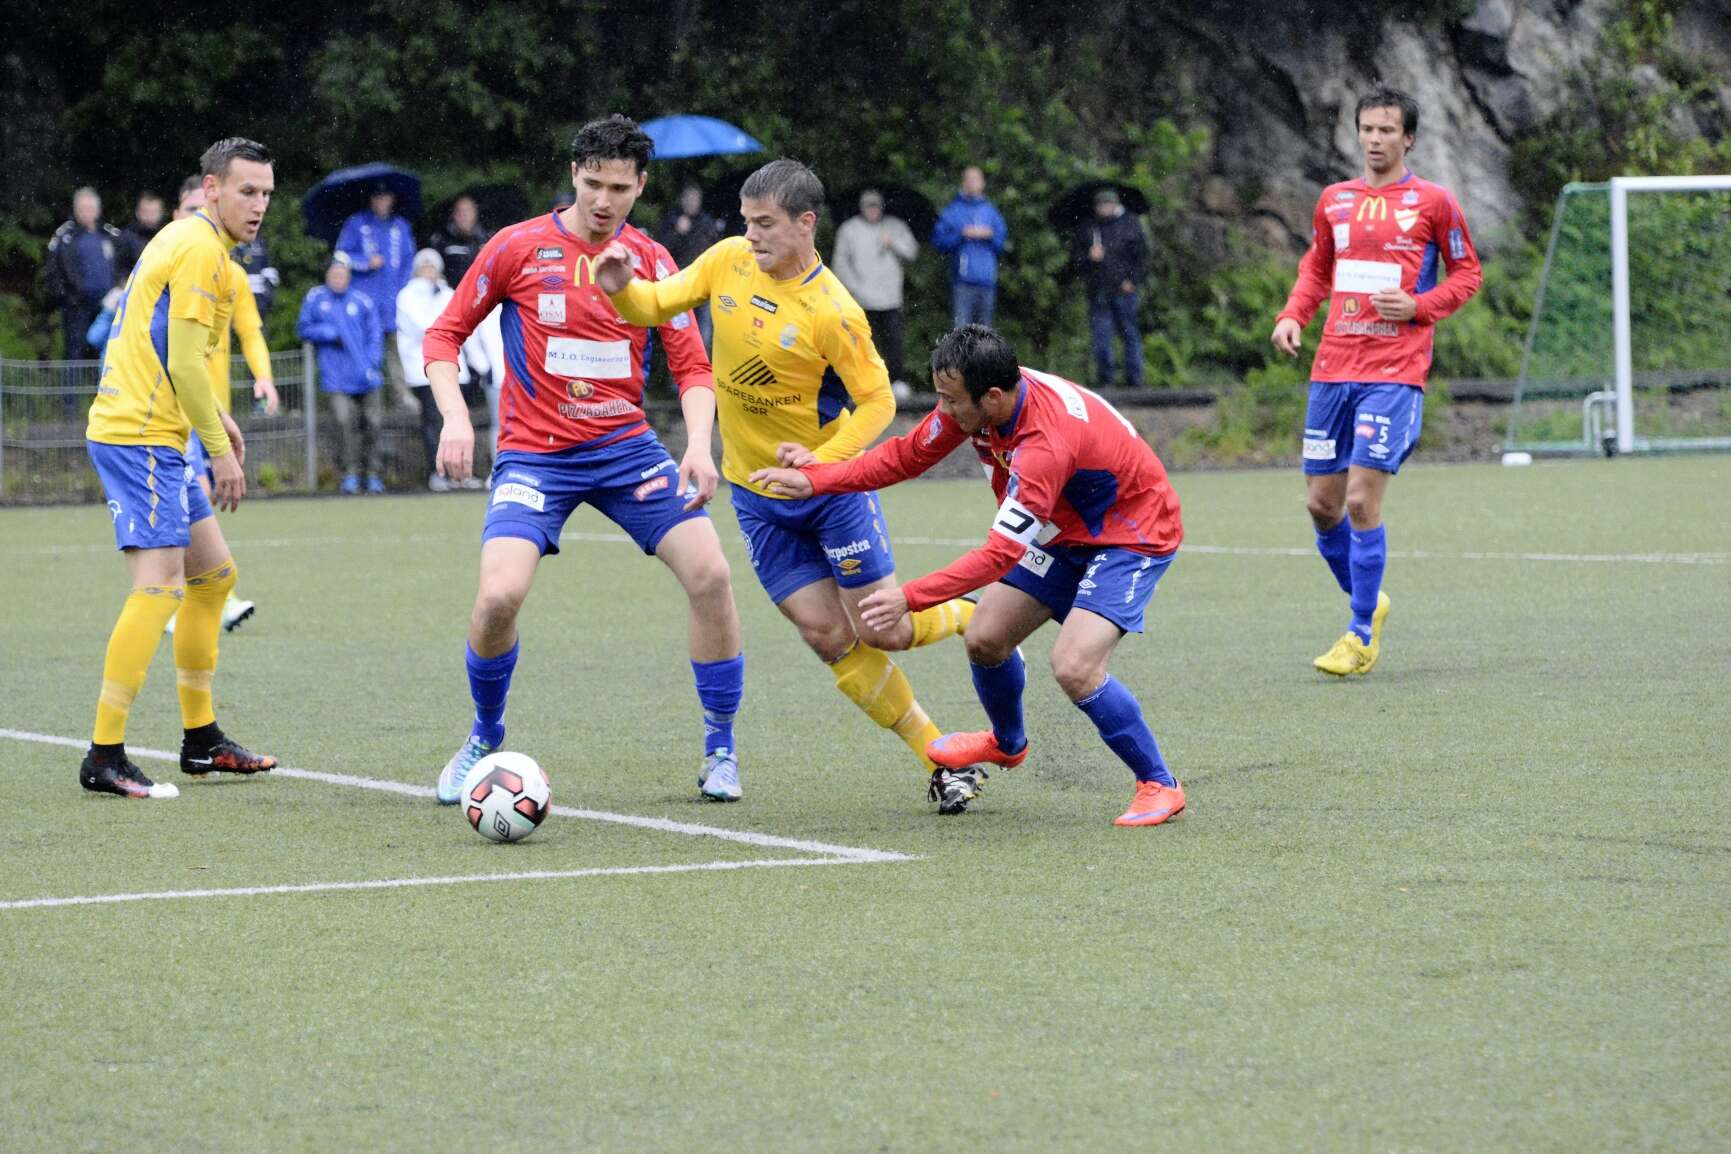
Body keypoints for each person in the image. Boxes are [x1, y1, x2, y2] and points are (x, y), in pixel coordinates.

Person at [597, 157, 976, 800]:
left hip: (831, 492)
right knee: (827, 635)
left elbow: (878, 402)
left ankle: (973, 614)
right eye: (747, 222)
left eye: (765, 224)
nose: (751, 235)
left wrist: (825, 465)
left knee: (883, 629)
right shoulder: (727, 260)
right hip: (757, 496)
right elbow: (654, 304)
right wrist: (620, 288)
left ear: (805, 223)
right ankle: (941, 759)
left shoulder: (835, 311)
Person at [423, 114, 747, 804]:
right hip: (535, 457)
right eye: (593, 183)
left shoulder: (653, 261)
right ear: (574, 174)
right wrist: (453, 416)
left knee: (713, 575)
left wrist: (698, 445)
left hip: (626, 451)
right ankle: (484, 734)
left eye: (619, 188)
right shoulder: (516, 247)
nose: (604, 200)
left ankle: (720, 749)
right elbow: (444, 337)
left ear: (641, 186)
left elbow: (693, 367)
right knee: (498, 597)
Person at [751, 325, 1187, 825]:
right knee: (985, 637)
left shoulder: (1044, 443)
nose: (944, 410)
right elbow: (907, 456)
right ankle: (1008, 743)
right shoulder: (984, 400)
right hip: (1062, 531)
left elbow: (999, 555)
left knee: (1074, 666)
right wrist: (816, 479)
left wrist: (909, 597)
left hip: (1129, 535)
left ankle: (1160, 783)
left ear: (993, 396)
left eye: (951, 400)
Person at [78, 137, 280, 799]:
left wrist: (216, 417)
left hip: (152, 431)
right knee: (159, 586)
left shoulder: (194, 241)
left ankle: (202, 740)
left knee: (214, 577)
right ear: (212, 188)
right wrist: (218, 450)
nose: (258, 205)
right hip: (141, 436)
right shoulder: (199, 249)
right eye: (246, 191)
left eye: (266, 194)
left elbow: (167, 345)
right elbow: (186, 362)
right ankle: (105, 754)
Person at [1270, 86, 1482, 676]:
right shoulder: (1335, 201)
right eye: (1367, 129)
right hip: (1332, 369)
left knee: (1361, 500)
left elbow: (1467, 274)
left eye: (1387, 130)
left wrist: (1419, 307)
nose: (1375, 139)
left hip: (1394, 372)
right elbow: (1317, 269)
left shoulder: (1434, 202)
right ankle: (1370, 599)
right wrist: (1293, 315)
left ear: (1408, 138)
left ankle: (1360, 632)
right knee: (1321, 505)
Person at [161, 177, 279, 634]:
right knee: (194, 497)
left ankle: (189, 595)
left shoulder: (231, 275)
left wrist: (263, 377)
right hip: (172, 409)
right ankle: (201, 596)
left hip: (214, 412)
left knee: (197, 501)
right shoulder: (165, 268)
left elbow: (250, 332)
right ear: (176, 217)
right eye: (189, 210)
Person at [396, 247, 482, 492]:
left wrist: (479, 363)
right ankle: (438, 472)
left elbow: (465, 325)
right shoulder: (407, 296)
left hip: (456, 368)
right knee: (434, 423)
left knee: (461, 420)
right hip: (425, 371)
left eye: (432, 267)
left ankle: (462, 472)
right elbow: (427, 329)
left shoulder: (448, 293)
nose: (428, 271)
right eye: (424, 267)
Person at [298, 252, 385, 494]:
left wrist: (372, 363)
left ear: (348, 276)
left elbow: (375, 335)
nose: (338, 278)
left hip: (366, 376)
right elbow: (304, 328)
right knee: (344, 422)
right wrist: (326, 333)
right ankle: (350, 474)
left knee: (374, 423)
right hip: (335, 377)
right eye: (334, 273)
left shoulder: (362, 301)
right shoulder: (316, 298)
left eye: (342, 274)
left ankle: (372, 473)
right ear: (328, 275)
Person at [336, 183, 416, 409]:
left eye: (386, 197)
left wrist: (403, 292)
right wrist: (365, 262)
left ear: (392, 199)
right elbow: (341, 256)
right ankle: (370, 401)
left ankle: (402, 396)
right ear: (371, 199)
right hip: (365, 302)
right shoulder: (357, 223)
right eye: (378, 197)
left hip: (394, 302)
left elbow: (409, 262)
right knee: (368, 351)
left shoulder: (401, 226)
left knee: (397, 350)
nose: (382, 201)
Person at [831, 189, 918, 389]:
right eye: (868, 206)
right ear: (861, 208)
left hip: (890, 299)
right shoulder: (849, 230)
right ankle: (860, 383)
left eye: (876, 206)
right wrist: (856, 288)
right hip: (860, 300)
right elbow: (840, 264)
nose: (872, 210)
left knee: (893, 342)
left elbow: (912, 253)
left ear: (881, 207)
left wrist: (893, 243)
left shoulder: (896, 226)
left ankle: (897, 381)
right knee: (860, 343)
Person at [1073, 187, 1148, 388]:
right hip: (1098, 291)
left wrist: (1132, 281)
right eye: (1100, 204)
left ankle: (1135, 381)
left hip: (1125, 291)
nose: (1104, 208)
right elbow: (1075, 262)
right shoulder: (1088, 227)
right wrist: (1089, 257)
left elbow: (1142, 257)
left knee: (1129, 334)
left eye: (1107, 203)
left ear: (1115, 204)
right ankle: (1106, 380)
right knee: (1101, 338)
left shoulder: (1131, 224)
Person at [45, 187, 121, 362]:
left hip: (108, 305)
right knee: (75, 352)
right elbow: (53, 270)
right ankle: (73, 383)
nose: (86, 213)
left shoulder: (110, 234)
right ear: (75, 210)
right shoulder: (65, 235)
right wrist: (67, 297)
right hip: (77, 306)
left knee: (107, 350)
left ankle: (104, 382)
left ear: (98, 210)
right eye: (82, 209)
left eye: (90, 208)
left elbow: (124, 264)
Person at [931, 166, 1006, 326]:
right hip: (962, 282)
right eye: (969, 179)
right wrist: (961, 235)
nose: (972, 183)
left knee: (985, 333)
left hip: (987, 282)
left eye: (976, 179)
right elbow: (938, 242)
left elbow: (1001, 244)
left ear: (983, 183)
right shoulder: (952, 211)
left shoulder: (991, 213)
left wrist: (990, 236)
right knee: (961, 332)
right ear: (963, 182)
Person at [654, 185, 725, 348]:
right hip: (679, 282)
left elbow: (718, 249)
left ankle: (702, 361)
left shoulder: (707, 222)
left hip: (704, 281)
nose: (692, 203)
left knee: (703, 329)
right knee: (679, 329)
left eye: (695, 199)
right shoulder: (672, 220)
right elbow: (661, 250)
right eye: (689, 199)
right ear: (682, 200)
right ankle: (678, 362)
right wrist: (677, 232)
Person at [429, 194, 490, 287]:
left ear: (475, 213)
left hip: (477, 291)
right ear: (454, 215)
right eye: (460, 211)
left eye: (467, 211)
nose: (464, 216)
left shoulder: (485, 240)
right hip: (449, 292)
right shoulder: (441, 241)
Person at [116, 191, 165, 279]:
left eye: (154, 212)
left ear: (161, 213)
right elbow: (119, 270)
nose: (150, 216)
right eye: (145, 212)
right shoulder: (127, 237)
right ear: (137, 213)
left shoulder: (168, 235)